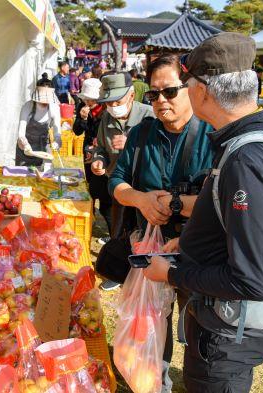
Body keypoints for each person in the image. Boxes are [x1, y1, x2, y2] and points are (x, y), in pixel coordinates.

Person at [144, 32, 263, 392]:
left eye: (185, 84)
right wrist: (192, 243)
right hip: (224, 325)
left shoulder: (247, 159)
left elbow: (252, 281)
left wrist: (172, 275)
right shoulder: (249, 142)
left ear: (203, 91)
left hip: (227, 333)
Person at [110, 53, 214, 393]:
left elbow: (223, 199)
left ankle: (198, 377)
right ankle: (155, 377)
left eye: (169, 91)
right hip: (149, 247)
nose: (160, 101)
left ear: (191, 89)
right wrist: (140, 199)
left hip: (197, 252)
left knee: (198, 322)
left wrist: (173, 204)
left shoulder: (211, 136)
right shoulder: (142, 134)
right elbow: (117, 183)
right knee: (153, 319)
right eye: (153, 95)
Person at [91, 72, 154, 290]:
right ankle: (117, 273)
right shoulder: (107, 119)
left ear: (131, 95)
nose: (113, 106)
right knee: (118, 232)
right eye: (108, 102)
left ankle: (144, 275)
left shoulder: (150, 116)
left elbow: (161, 152)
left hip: (145, 189)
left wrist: (132, 143)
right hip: (118, 187)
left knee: (143, 234)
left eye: (117, 101)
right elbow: (100, 147)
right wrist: (98, 160)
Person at [73, 78, 112, 234]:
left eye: (91, 99)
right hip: (88, 154)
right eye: (86, 99)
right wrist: (82, 119)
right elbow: (76, 131)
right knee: (90, 186)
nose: (88, 102)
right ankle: (91, 219)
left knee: (104, 193)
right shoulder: (83, 108)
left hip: (103, 154)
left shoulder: (106, 110)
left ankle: (111, 228)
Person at [15, 85, 61, 167]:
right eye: (42, 101)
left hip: (43, 146)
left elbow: (57, 131)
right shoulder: (27, 106)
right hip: (26, 146)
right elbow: (21, 133)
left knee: (45, 175)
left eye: (47, 101)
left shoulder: (54, 108)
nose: (45, 103)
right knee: (23, 175)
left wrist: (57, 140)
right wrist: (24, 143)